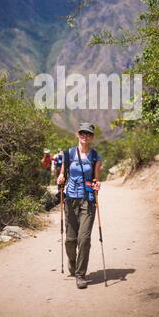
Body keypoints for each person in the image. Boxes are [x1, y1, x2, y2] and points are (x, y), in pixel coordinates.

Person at [57, 122, 101, 289]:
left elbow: (97, 179)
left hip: (87, 201)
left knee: (84, 239)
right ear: (77, 134)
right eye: (82, 133)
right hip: (70, 200)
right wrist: (60, 178)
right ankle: (73, 262)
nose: (85, 136)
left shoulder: (95, 156)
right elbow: (62, 174)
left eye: (88, 134)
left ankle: (80, 274)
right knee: (70, 240)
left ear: (92, 137)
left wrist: (97, 185)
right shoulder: (68, 154)